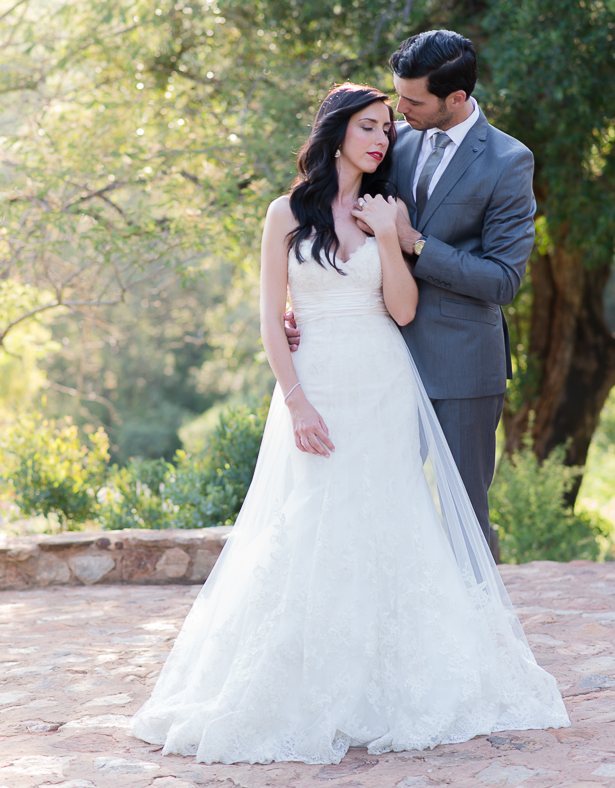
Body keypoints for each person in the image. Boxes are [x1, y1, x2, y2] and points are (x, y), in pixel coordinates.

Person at [130, 84, 568, 765]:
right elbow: (270, 318)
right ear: (337, 131)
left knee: (386, 516)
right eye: (369, 126)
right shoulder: (284, 213)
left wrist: (392, 237)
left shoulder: (382, 209)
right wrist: (297, 400)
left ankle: (387, 674)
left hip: (382, 380)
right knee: (307, 519)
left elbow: (400, 309)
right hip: (315, 388)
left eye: (388, 130)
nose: (381, 140)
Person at [286, 30, 534, 545]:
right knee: (373, 498)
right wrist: (309, 306)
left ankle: (479, 622)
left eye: (413, 100)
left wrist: (415, 242)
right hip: (378, 363)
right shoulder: (393, 144)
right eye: (397, 95)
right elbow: (339, 223)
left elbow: (502, 280)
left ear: (456, 99)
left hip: (461, 365)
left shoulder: (508, 163)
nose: (399, 110)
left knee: (463, 511)